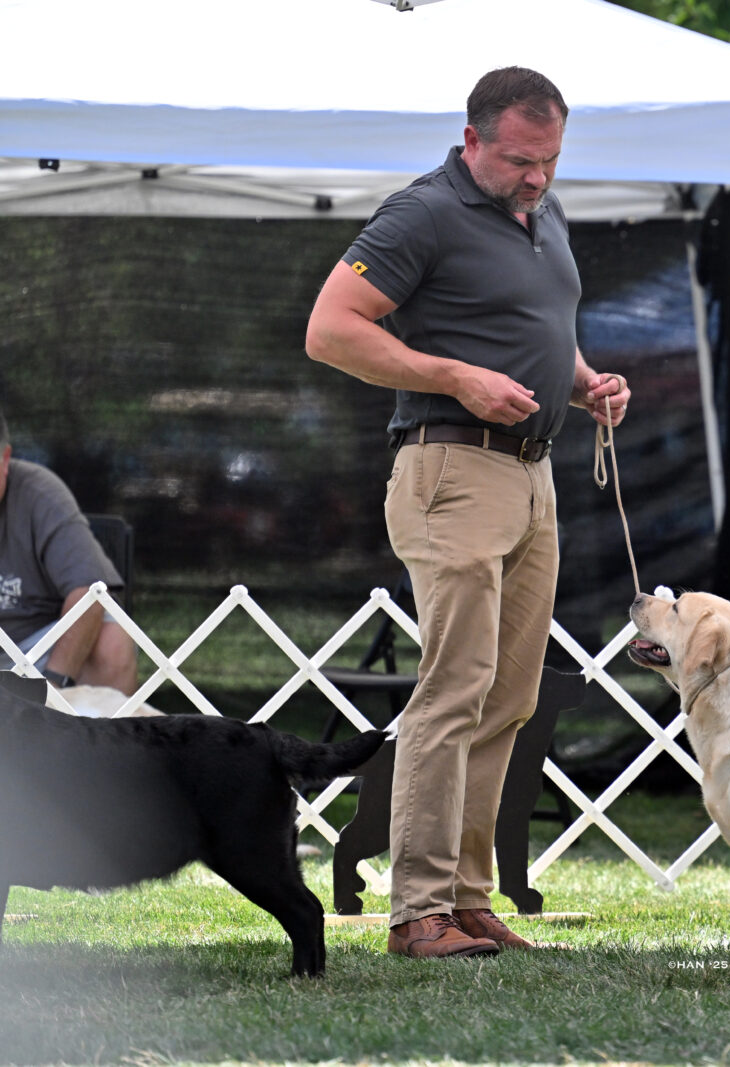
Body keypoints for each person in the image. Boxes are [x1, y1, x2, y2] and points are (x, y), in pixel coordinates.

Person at [305, 67, 630, 959]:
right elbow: (331, 329)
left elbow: (541, 321)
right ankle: (415, 912)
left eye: (551, 160)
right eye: (522, 160)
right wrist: (452, 375)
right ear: (473, 138)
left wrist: (584, 381)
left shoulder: (543, 213)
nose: (537, 178)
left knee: (510, 693)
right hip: (449, 463)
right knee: (454, 688)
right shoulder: (423, 213)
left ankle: (466, 894)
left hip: (533, 472)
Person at [0, 407, 138, 695]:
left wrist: (51, 689)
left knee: (112, 635)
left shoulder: (40, 492)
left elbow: (89, 591)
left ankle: (98, 737)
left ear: (5, 458)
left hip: (33, 652)